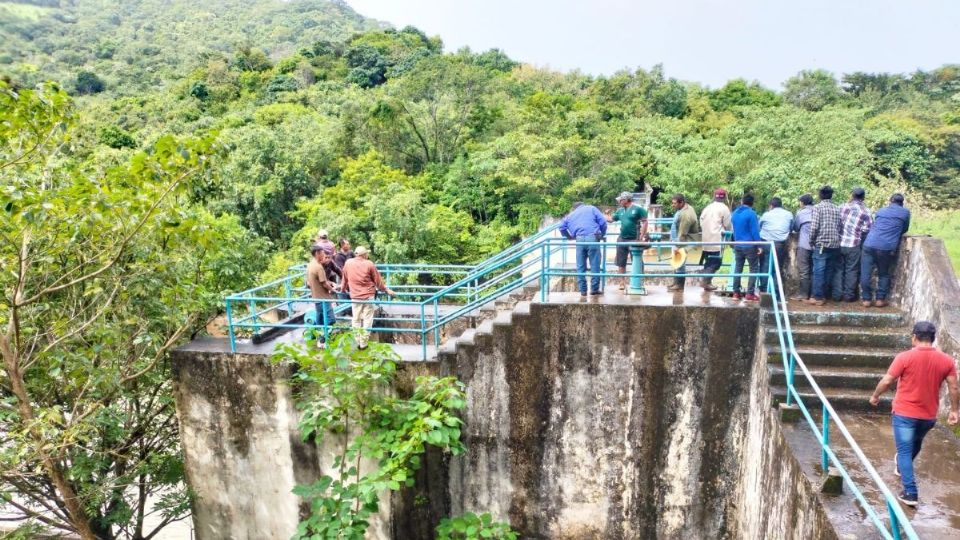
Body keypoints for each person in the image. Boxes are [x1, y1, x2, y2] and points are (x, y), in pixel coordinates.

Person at [869, 321, 958, 507]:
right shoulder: (947, 360)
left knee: (904, 451)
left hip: (905, 414)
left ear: (914, 337)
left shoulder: (904, 357)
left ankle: (910, 492)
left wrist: (876, 395)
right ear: (933, 339)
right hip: (928, 416)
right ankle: (903, 468)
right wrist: (954, 410)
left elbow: (887, 381)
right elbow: (954, 386)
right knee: (915, 444)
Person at [861, 193, 911, 308]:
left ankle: (866, 300)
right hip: (886, 247)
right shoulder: (905, 212)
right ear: (902, 203)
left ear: (890, 201)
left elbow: (875, 224)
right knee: (883, 274)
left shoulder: (880, 211)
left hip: (869, 243)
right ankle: (880, 300)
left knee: (865, 272)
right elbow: (905, 228)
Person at [341, 246, 396, 348]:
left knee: (356, 319)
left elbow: (344, 278)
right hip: (368, 296)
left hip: (355, 296)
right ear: (364, 255)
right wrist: (386, 290)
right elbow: (378, 281)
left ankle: (357, 341)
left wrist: (343, 290)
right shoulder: (369, 264)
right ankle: (363, 343)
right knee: (367, 319)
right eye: (367, 254)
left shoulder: (348, 263)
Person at [558, 201, 608, 296]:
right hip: (593, 238)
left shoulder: (571, 214)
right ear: (583, 205)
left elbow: (561, 227)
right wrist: (602, 234)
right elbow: (603, 222)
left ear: (574, 208)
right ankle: (594, 289)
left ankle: (583, 291)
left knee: (580, 266)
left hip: (579, 239)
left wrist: (569, 237)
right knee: (595, 264)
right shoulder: (592, 208)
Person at [833, 187, 873, 302]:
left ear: (852, 195)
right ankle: (849, 296)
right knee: (852, 270)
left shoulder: (842, 207)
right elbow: (868, 229)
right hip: (854, 244)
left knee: (838, 269)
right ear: (863, 197)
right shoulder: (866, 211)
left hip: (839, 243)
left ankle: (837, 295)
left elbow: (836, 222)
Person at [806, 185, 842, 306]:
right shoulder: (837, 208)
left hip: (821, 244)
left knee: (818, 271)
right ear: (831, 195)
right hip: (835, 244)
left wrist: (811, 241)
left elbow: (814, 227)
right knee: (829, 271)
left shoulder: (817, 208)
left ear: (820, 195)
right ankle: (823, 295)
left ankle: (818, 297)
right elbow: (839, 227)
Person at [606, 192, 648, 291]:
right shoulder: (620, 210)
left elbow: (645, 221)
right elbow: (611, 219)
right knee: (621, 262)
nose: (619, 201)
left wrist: (641, 236)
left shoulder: (638, 209)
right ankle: (622, 282)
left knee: (637, 261)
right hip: (622, 239)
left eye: (621, 200)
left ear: (626, 200)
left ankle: (639, 281)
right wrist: (605, 214)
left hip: (634, 238)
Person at [758, 197, 793, 295]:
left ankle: (764, 290)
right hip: (779, 244)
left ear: (771, 206)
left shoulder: (766, 215)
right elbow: (791, 227)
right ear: (781, 205)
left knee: (765, 266)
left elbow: (759, 226)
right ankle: (776, 293)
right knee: (777, 268)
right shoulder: (789, 214)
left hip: (766, 243)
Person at [698, 188, 732, 291]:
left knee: (708, 261)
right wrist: (730, 238)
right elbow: (728, 225)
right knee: (716, 262)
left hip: (706, 239)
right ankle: (704, 280)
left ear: (714, 196)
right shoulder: (724, 208)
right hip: (717, 239)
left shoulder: (708, 207)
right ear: (725, 197)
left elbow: (701, 220)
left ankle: (706, 281)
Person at [730, 194, 761, 301]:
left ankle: (735, 293)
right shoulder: (751, 214)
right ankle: (750, 293)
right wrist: (759, 245)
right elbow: (755, 231)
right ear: (752, 203)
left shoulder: (734, 213)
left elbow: (733, 230)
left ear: (742, 202)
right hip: (749, 246)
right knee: (753, 269)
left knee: (738, 268)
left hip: (738, 245)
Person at [667, 193, 699, 292]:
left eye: (674, 203)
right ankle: (676, 283)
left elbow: (682, 233)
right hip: (677, 239)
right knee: (677, 262)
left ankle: (679, 285)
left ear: (681, 203)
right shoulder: (685, 208)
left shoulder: (685, 215)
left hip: (682, 241)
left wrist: (678, 246)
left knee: (680, 263)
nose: (673, 205)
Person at [306, 245, 338, 337]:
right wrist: (333, 290)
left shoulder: (310, 265)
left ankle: (320, 338)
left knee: (320, 318)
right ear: (317, 254)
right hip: (323, 298)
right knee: (330, 319)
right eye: (323, 253)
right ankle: (324, 339)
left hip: (316, 297)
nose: (324, 255)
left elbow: (314, 281)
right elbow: (324, 283)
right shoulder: (318, 267)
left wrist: (330, 282)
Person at [792, 194, 815, 301]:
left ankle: (804, 294)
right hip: (818, 245)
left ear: (802, 203)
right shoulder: (817, 210)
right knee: (816, 270)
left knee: (804, 270)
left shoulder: (801, 213)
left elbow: (795, 228)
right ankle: (815, 295)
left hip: (804, 244)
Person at [333, 238, 355, 315]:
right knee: (342, 294)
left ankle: (350, 312)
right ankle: (343, 313)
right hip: (342, 277)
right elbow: (341, 269)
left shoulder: (351, 253)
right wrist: (346, 279)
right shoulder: (338, 256)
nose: (349, 245)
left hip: (352, 277)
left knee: (351, 294)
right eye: (347, 244)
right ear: (342, 245)